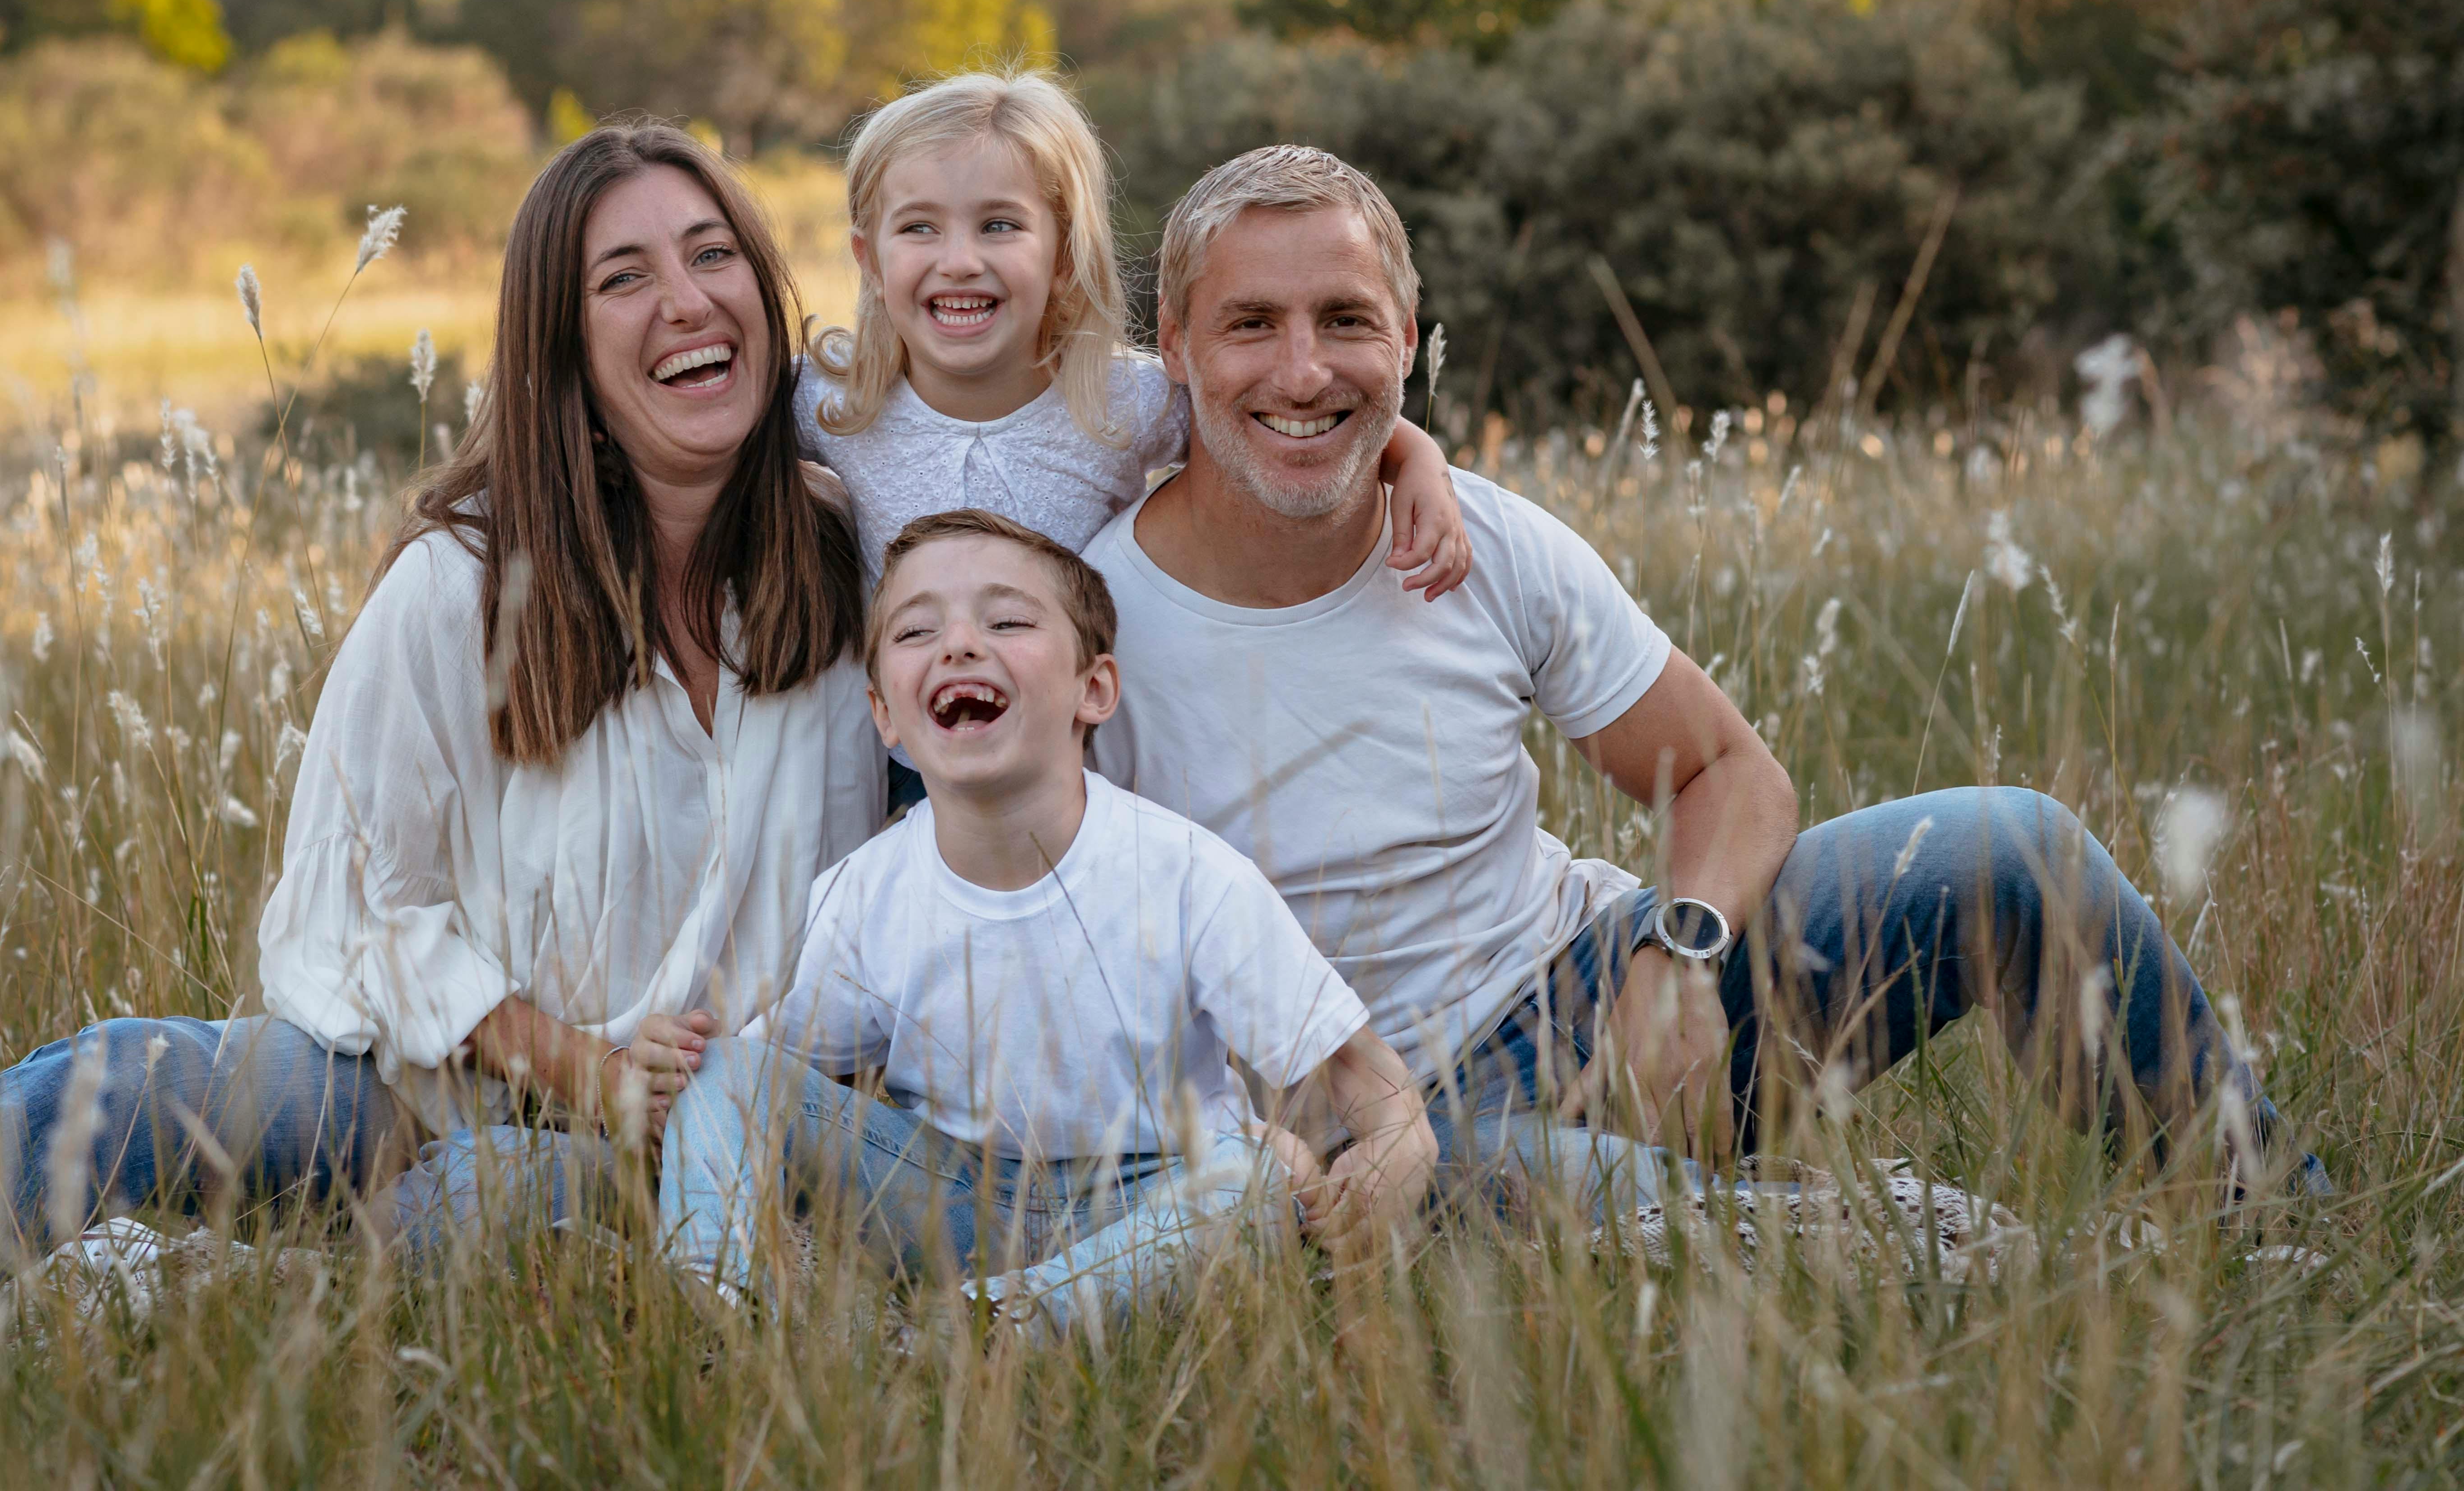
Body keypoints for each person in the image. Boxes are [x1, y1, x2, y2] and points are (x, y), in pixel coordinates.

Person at [0, 122, 885, 1313]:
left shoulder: (852, 566)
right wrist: (584, 1069)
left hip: (726, 1137)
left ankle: (152, 1305)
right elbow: (360, 904)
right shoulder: (466, 583)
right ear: (566, 354)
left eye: (714, 256)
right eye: (625, 278)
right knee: (134, 1077)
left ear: (766, 289)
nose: (687, 302)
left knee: (500, 1206)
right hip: (434, 1088)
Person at [1083, 143, 2322, 1202]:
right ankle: (1762, 1224)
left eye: (1346, 321)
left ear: (1406, 339)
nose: (1304, 372)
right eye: (1254, 324)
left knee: (2010, 847)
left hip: (1590, 998)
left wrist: (1675, 961)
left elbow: (1730, 772)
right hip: (1347, 1122)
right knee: (1586, 1206)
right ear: (1177, 348)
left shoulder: (1493, 544)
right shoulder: (1090, 622)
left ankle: (2272, 1221)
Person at [655, 511, 1439, 1332]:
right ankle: (715, 1304)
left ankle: (999, 1326)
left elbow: (1360, 1074)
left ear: (1092, 690)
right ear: (886, 716)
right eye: (919, 629)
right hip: (953, 1202)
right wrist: (683, 1080)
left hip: (1150, 1196)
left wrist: (1398, 1136)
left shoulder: (1186, 875)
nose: (959, 644)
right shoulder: (865, 890)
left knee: (1251, 1186)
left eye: (1008, 621)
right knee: (724, 1071)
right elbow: (776, 1085)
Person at [792, 69, 1472, 811]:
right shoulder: (834, 400)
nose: (959, 259)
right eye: (919, 227)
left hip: (1084, 754)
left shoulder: (1120, 403)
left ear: (1061, 256)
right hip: (902, 751)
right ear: (869, 256)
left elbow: (1277, 418)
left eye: (999, 226)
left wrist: (1416, 459)